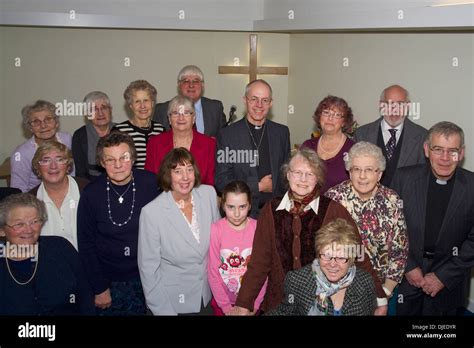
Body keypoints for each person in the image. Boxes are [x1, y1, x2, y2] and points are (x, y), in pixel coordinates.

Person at [230, 147, 386, 315]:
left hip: (322, 306)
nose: (303, 179)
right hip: (279, 305)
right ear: (288, 175)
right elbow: (259, 262)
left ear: (317, 179)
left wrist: (380, 298)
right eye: (297, 172)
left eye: (310, 174)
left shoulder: (333, 210)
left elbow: (358, 254)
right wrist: (244, 303)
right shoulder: (270, 210)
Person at [392, 121, 474, 315]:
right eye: (438, 149)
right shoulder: (404, 178)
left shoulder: (472, 186)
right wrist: (408, 266)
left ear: (461, 153)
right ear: (427, 150)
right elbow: (391, 226)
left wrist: (443, 277)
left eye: (452, 151)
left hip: (450, 281)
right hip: (408, 276)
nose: (445, 158)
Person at [77, 132, 159, 315]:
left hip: (148, 276)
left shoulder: (151, 183)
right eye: (110, 160)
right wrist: (99, 288)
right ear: (102, 162)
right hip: (109, 282)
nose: (118, 165)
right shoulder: (91, 193)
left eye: (124, 157)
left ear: (134, 158)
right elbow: (86, 244)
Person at [325, 141, 408, 310]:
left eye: (369, 170)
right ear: (349, 172)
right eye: (356, 169)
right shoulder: (333, 198)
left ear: (379, 174)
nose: (362, 176)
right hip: (339, 288)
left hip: (383, 287)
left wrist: (384, 292)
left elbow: (400, 250)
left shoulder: (392, 200)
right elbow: (324, 247)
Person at [138, 148, 220, 315]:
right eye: (178, 171)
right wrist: (163, 311)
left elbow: (219, 243)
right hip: (173, 303)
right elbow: (148, 270)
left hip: (207, 297)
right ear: (168, 175)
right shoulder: (152, 212)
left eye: (189, 169)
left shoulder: (208, 194)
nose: (185, 177)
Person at [0, 193, 94, 315]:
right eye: (19, 224)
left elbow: (85, 294)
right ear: (2, 230)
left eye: (34, 222)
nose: (29, 230)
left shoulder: (61, 247)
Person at [267, 219, 377, 316]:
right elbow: (285, 312)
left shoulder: (365, 282)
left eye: (341, 258)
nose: (333, 264)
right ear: (318, 254)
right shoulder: (296, 280)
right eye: (326, 256)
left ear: (351, 259)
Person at [215, 79, 290, 218]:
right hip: (240, 214)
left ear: (271, 103)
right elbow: (221, 181)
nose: (259, 105)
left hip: (275, 213)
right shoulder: (227, 135)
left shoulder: (281, 133)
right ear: (245, 100)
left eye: (265, 100)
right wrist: (257, 186)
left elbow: (286, 175)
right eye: (254, 99)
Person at [207, 180, 267, 315]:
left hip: (251, 301)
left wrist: (255, 303)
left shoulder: (258, 229)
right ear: (223, 206)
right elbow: (213, 272)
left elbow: (263, 270)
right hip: (222, 302)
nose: (237, 213)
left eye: (242, 207)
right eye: (231, 207)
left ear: (250, 205)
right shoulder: (216, 230)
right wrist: (226, 307)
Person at [354, 84, 427, 187]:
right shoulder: (361, 134)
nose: (395, 110)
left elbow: (423, 179)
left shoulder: (422, 136)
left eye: (400, 104)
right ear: (381, 105)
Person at [29, 141, 89, 250]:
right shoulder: (29, 200)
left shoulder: (88, 190)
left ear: (68, 166)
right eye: (46, 160)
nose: (53, 166)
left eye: (59, 159)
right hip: (48, 264)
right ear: (37, 167)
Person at [145, 96, 216, 185]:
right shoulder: (155, 143)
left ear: (193, 118)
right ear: (169, 118)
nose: (181, 118)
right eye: (175, 113)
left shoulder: (209, 144)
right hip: (163, 196)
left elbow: (210, 182)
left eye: (186, 113)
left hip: (199, 197)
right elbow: (149, 179)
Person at [10, 100, 73, 192]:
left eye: (48, 119)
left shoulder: (68, 140)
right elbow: (18, 191)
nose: (43, 125)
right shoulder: (22, 154)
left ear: (56, 123)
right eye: (36, 122)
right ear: (30, 127)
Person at [153, 65, 226, 137]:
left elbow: (224, 137)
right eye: (186, 81)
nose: (191, 85)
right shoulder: (161, 110)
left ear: (202, 85)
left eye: (196, 81)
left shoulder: (215, 108)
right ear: (179, 85)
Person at [301, 95, 355, 194]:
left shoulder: (353, 150)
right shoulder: (308, 146)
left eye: (337, 115)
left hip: (339, 207)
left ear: (344, 122)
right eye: (326, 113)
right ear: (319, 117)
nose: (330, 118)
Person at [113, 80, 164, 169]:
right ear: (131, 106)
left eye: (146, 100)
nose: (142, 106)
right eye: (137, 101)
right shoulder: (119, 131)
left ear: (152, 103)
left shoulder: (161, 130)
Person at [72, 91, 115, 180]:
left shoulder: (121, 130)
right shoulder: (80, 135)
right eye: (94, 109)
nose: (100, 113)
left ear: (110, 110)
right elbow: (80, 173)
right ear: (87, 114)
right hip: (90, 184)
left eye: (104, 108)